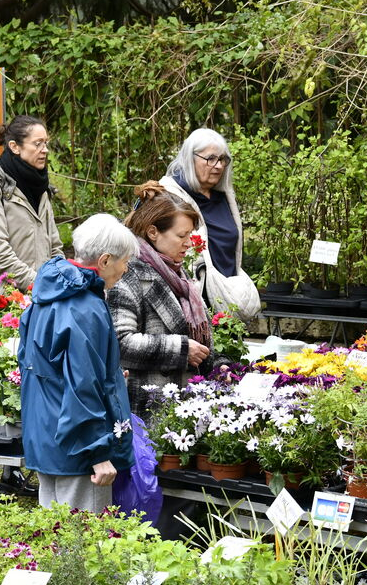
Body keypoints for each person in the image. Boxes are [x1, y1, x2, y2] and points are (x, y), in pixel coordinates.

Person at [18, 214, 137, 512]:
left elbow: (32, 362)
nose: (126, 268)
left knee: (53, 534)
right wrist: (97, 452)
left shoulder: (47, 293)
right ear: (106, 260)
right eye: (125, 261)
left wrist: (106, 372)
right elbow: (81, 385)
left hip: (47, 434)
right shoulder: (86, 306)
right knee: (83, 546)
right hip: (78, 448)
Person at [107, 182, 212, 416]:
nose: (188, 243)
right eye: (182, 235)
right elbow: (120, 343)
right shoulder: (128, 274)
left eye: (190, 235)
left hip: (184, 405)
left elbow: (199, 333)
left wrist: (219, 361)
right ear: (153, 232)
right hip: (148, 408)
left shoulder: (177, 272)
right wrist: (181, 349)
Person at [160, 128, 260, 319]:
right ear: (191, 158)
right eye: (211, 159)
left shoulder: (223, 196)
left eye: (222, 159)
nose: (219, 166)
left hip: (227, 296)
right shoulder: (171, 195)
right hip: (193, 302)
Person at [0, 114, 62, 290]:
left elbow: (54, 246)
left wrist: (62, 277)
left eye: (46, 143)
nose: (45, 150)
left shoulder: (40, 186)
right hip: (2, 300)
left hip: (39, 296)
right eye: (37, 143)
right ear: (14, 147)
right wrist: (38, 283)